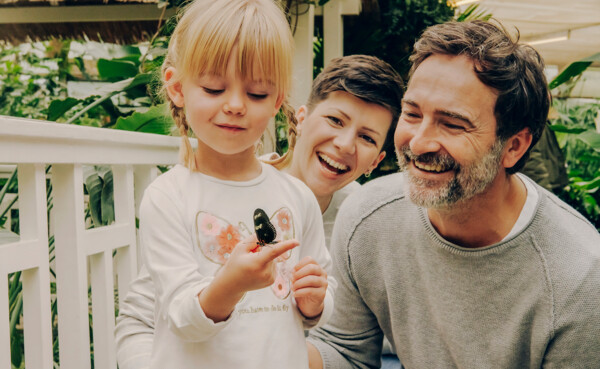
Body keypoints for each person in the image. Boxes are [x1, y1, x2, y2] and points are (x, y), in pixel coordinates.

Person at [308, 20, 600, 368]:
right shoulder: (368, 217)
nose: (418, 143)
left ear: (514, 146)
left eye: (452, 124)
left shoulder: (580, 279)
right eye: (412, 113)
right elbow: (345, 353)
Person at [115, 53, 404, 368]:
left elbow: (365, 340)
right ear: (301, 119)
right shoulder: (210, 196)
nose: (345, 144)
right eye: (335, 120)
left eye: (366, 138)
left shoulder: (368, 224)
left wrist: (311, 312)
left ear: (376, 161)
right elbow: (140, 318)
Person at [133, 1, 336, 368]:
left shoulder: (297, 196)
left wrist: (315, 301)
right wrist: (231, 283)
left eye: (257, 93)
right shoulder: (167, 198)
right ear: (177, 88)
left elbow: (321, 282)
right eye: (213, 88)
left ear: (277, 100)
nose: (236, 105)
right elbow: (181, 317)